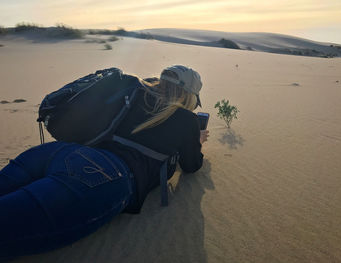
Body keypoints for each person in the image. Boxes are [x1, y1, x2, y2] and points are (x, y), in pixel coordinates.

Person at [0, 65, 209, 258]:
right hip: (100, 174)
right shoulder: (186, 119)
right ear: (189, 96)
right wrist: (196, 139)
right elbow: (192, 165)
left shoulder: (133, 93)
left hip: (58, 152)